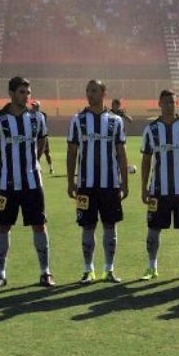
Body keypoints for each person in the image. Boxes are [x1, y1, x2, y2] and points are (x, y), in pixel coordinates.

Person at [0, 77, 54, 290]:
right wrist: (3, 168)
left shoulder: (37, 117)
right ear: (12, 93)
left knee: (39, 225)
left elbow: (41, 142)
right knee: (3, 226)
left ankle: (45, 272)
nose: (27, 96)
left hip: (33, 183)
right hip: (7, 185)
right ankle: (0, 274)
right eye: (22, 92)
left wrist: (33, 163)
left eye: (28, 92)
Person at [67, 79, 129, 284]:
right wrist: (70, 181)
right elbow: (72, 152)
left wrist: (124, 182)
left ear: (104, 92)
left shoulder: (115, 121)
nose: (89, 94)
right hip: (86, 184)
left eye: (94, 90)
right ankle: (88, 270)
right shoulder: (78, 120)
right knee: (88, 226)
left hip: (110, 184)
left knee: (110, 225)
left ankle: (109, 270)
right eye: (87, 90)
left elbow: (121, 153)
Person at [139, 89, 179, 282]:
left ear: (177, 104)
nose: (169, 105)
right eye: (166, 102)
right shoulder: (151, 129)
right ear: (159, 103)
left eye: (172, 102)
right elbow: (146, 160)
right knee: (153, 228)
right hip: (159, 189)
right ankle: (152, 267)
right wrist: (144, 187)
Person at [31, 101, 54, 175]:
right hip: (35, 137)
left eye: (34, 105)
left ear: (38, 106)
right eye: (33, 105)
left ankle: (51, 167)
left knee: (47, 153)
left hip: (42, 136)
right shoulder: (30, 114)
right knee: (35, 153)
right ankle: (38, 168)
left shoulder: (43, 114)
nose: (33, 107)